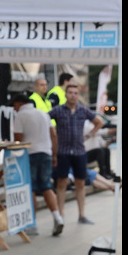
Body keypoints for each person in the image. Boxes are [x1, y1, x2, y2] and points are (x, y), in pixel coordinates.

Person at [48, 84, 104, 225]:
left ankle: (82, 215)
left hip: (79, 151)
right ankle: (60, 214)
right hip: (63, 151)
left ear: (78, 95)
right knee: (61, 182)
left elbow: (99, 122)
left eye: (75, 93)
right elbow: (45, 120)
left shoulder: (83, 110)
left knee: (80, 183)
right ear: (66, 94)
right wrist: (52, 134)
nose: (73, 95)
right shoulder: (58, 111)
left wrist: (89, 135)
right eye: (70, 92)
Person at [11, 93, 65, 237]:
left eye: (14, 106)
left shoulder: (20, 116)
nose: (14, 109)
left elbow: (18, 140)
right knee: (46, 186)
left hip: (29, 154)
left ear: (19, 104)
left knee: (31, 188)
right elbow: (53, 135)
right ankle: (57, 217)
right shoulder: (43, 114)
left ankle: (32, 224)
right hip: (45, 153)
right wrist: (54, 154)